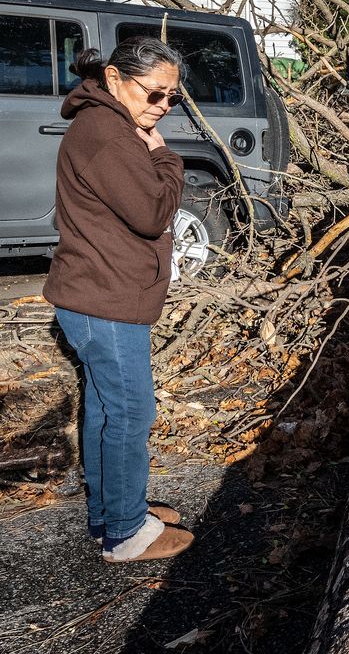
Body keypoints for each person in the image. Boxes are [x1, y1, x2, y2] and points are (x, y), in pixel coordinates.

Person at [44, 37, 195, 563]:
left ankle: (112, 513)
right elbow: (153, 213)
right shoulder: (108, 135)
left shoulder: (109, 125)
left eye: (172, 98)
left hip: (99, 292)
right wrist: (167, 159)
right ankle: (126, 533)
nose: (162, 107)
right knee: (131, 412)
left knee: (108, 410)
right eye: (155, 93)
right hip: (103, 299)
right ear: (113, 79)